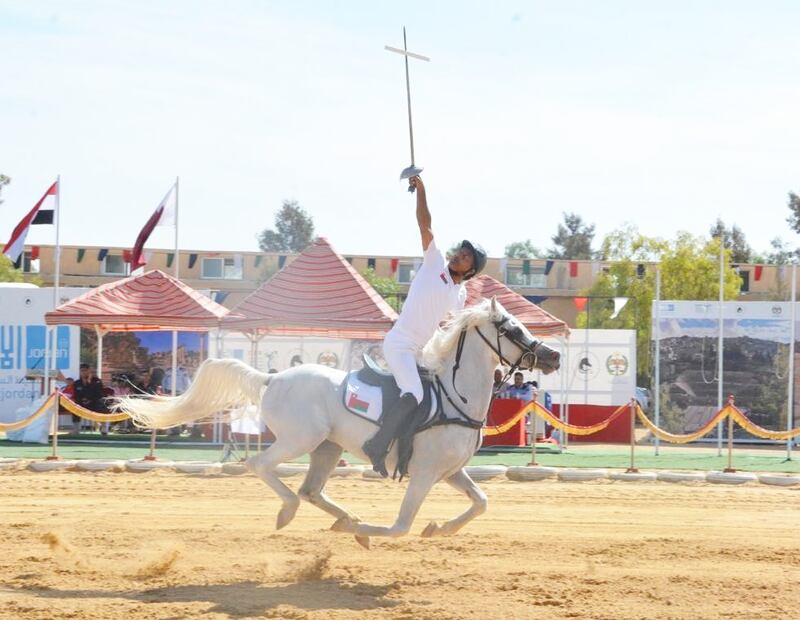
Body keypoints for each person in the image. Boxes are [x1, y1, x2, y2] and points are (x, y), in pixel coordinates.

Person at [362, 174, 487, 477]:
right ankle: (377, 447)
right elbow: (425, 224)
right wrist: (422, 190)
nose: (460, 254)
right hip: (400, 344)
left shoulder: (459, 294)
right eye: (461, 251)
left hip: (420, 349)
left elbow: (453, 329)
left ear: (471, 269)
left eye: (467, 256)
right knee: (415, 396)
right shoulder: (435, 262)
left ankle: (412, 449)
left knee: (434, 394)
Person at [72, 364, 107, 434]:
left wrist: (89, 383)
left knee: (101, 404)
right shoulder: (77, 383)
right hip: (82, 403)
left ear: (89, 371)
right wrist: (82, 400)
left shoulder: (97, 381)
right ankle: (76, 429)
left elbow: (99, 394)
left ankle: (103, 427)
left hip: (94, 403)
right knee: (74, 406)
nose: (84, 372)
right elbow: (76, 395)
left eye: (85, 371)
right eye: (82, 371)